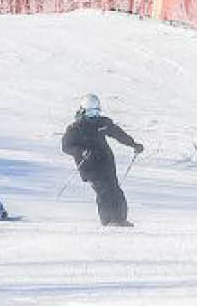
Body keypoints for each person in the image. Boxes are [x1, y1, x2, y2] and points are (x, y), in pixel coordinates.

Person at [60, 94, 142, 227]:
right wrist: (81, 151)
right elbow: (66, 146)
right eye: (90, 113)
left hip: (105, 163)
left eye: (96, 112)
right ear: (83, 111)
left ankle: (120, 220)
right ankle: (108, 221)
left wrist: (133, 144)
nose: (94, 116)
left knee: (115, 190)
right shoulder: (75, 128)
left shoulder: (102, 123)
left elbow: (118, 134)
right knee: (103, 191)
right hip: (89, 166)